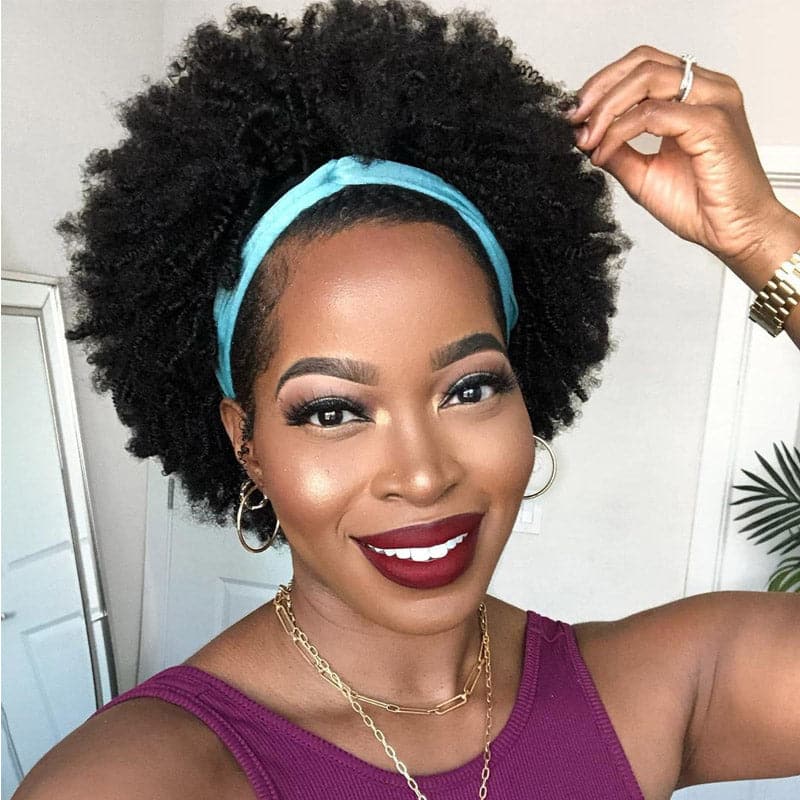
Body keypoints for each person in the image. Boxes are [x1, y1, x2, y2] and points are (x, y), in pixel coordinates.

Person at [15, 1, 800, 798]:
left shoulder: (648, 696)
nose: (422, 476)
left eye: (469, 389)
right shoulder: (141, 778)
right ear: (244, 440)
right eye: (333, 412)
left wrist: (764, 239)